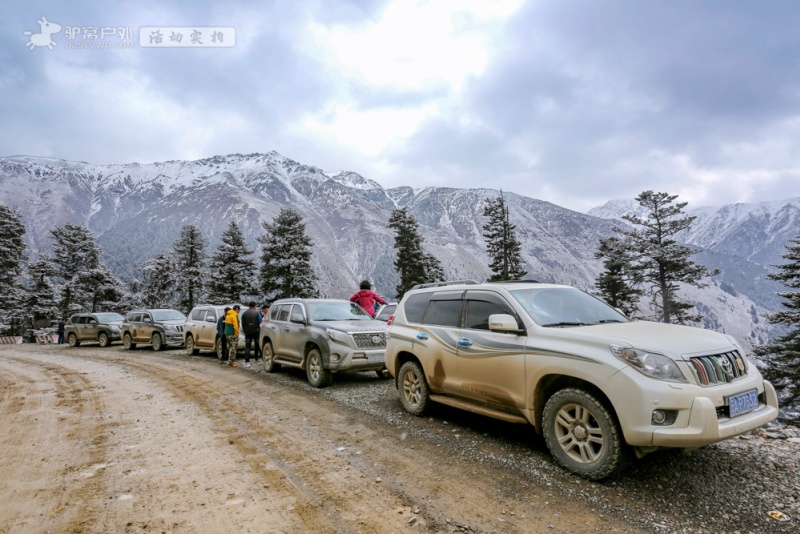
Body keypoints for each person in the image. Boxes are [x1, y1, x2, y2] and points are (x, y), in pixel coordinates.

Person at [241, 301, 260, 367]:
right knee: (257, 344)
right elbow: (260, 321)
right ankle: (256, 358)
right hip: (256, 331)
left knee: (248, 346)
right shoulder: (257, 313)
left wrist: (245, 331)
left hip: (247, 332)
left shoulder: (244, 313)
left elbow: (242, 324)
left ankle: (247, 361)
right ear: (254, 306)